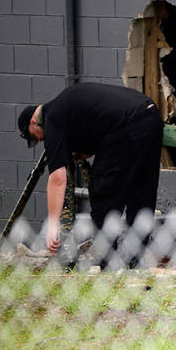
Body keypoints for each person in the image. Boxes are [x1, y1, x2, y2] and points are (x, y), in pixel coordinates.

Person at [18, 82, 163, 262]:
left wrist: (52, 226)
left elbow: (57, 179)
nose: (38, 140)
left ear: (33, 121)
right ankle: (137, 258)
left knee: (102, 192)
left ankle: (108, 261)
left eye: (33, 136)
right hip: (151, 116)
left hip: (127, 126)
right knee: (142, 189)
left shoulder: (52, 119)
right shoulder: (65, 104)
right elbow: (100, 124)